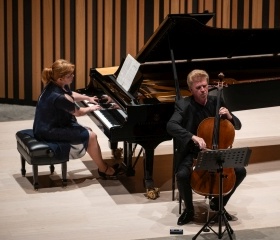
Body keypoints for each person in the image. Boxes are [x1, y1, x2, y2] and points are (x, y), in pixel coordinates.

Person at [166, 69, 246, 225]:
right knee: (182, 175)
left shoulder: (216, 101)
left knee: (240, 171)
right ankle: (189, 211)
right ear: (191, 90)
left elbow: (238, 125)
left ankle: (219, 204)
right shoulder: (184, 105)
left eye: (204, 86)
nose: (203, 90)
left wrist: (229, 116)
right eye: (198, 88)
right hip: (193, 152)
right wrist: (192, 137)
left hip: (217, 152)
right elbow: (171, 125)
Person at [33, 59, 118, 178]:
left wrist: (87, 98)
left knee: (89, 132)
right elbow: (78, 112)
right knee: (91, 136)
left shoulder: (54, 85)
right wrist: (92, 108)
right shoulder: (59, 97)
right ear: (61, 79)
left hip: (47, 125)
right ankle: (104, 169)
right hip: (48, 131)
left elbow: (71, 94)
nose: (73, 76)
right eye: (69, 75)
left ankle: (102, 166)